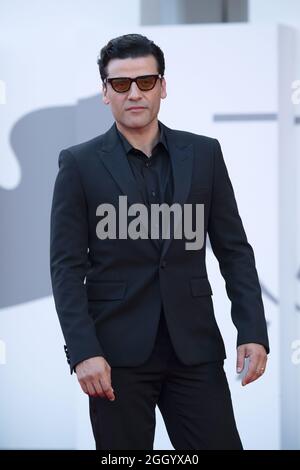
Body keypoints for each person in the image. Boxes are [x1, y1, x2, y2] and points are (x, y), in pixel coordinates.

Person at [50, 33, 269, 450]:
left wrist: (253, 330)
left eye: (146, 82)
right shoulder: (78, 164)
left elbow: (234, 251)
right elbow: (65, 267)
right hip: (114, 355)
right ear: (105, 93)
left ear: (163, 87)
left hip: (195, 347)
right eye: (120, 84)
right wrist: (82, 351)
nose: (134, 93)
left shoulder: (204, 154)